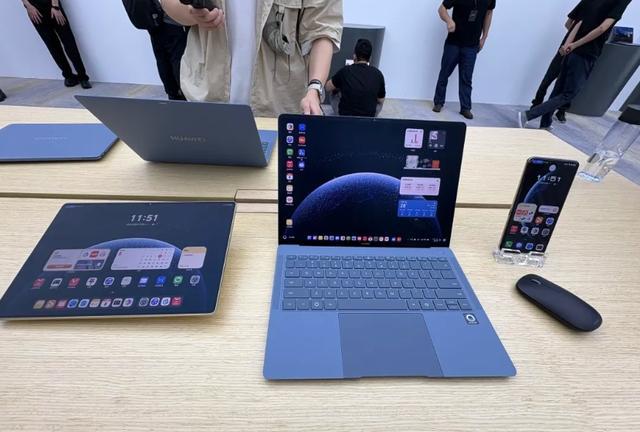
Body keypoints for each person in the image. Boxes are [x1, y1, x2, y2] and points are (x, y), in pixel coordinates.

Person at [161, 0, 343, 117]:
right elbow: (170, 3)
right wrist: (192, 14)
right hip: (206, 99)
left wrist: (314, 89)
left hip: (278, 108)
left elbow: (322, 29)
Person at [519, 0, 632, 130]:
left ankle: (545, 124)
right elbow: (602, 28)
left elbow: (575, 23)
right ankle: (528, 115)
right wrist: (575, 45)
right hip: (586, 53)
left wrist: (569, 44)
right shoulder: (621, 1)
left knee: (558, 90)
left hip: (570, 51)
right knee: (569, 93)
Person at [432, 0, 495, 120]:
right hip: (453, 43)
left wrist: (484, 37)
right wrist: (449, 21)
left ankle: (465, 108)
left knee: (466, 78)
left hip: (472, 45)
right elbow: (441, 9)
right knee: (444, 73)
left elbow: (489, 12)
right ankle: (438, 102)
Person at [122, 0, 188, 100]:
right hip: (171, 20)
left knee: (162, 57)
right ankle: (183, 92)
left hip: (154, 20)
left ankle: (173, 93)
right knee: (178, 58)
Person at [531, 4, 583, 124]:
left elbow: (568, 23)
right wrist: (574, 39)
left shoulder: (587, 5)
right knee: (564, 82)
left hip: (569, 49)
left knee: (557, 81)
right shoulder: (594, 9)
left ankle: (540, 105)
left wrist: (571, 37)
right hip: (571, 50)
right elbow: (568, 23)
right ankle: (555, 109)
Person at [21, 0, 91, 89]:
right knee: (52, 46)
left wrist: (55, 7)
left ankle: (83, 77)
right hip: (34, 10)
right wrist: (28, 6)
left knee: (69, 43)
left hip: (52, 6)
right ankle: (68, 76)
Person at [325, 39, 386, 117]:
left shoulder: (345, 71)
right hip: (368, 117)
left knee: (333, 92)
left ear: (354, 56)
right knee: (378, 101)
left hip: (345, 116)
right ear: (370, 58)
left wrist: (341, 87)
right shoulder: (378, 74)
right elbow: (381, 100)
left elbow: (327, 87)